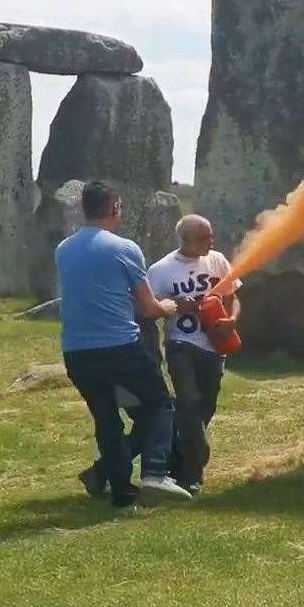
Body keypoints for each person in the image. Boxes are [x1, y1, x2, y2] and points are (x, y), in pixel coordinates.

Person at [57, 181, 192, 507]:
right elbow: (148, 308)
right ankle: (155, 475)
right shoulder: (124, 248)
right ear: (115, 207)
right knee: (159, 405)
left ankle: (120, 492)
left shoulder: (63, 248)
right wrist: (171, 306)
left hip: (76, 350)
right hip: (120, 346)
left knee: (106, 419)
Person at [147, 214, 240, 497]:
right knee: (189, 402)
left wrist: (232, 320)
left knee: (204, 409)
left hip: (214, 346)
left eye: (210, 235)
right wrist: (176, 304)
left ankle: (178, 462)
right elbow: (150, 307)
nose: (210, 242)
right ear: (184, 240)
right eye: (203, 237)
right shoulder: (162, 269)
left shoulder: (218, 260)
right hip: (181, 344)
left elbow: (232, 297)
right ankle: (193, 473)